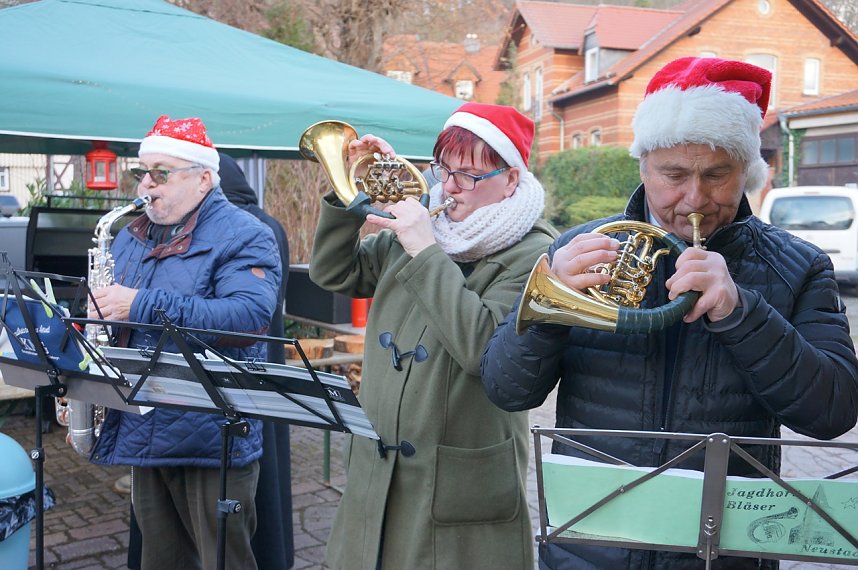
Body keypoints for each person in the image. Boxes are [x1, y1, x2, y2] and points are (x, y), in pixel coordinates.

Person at [481, 57, 858, 570]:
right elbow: (506, 389)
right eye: (673, 175)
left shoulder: (801, 266)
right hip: (590, 549)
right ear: (643, 166)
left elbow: (833, 412)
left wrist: (742, 313)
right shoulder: (580, 249)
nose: (695, 198)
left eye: (717, 175)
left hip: (721, 554)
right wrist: (549, 312)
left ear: (746, 171)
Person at [310, 102, 558, 569]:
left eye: (470, 175)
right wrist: (353, 190)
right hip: (378, 465)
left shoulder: (536, 253)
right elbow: (334, 272)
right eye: (444, 169)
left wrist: (424, 250)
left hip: (458, 482)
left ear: (510, 179)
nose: (450, 186)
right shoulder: (428, 223)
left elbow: (485, 349)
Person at [89, 115, 282, 570]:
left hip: (212, 433)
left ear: (203, 179)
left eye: (161, 173)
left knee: (224, 561)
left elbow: (248, 316)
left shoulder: (246, 233)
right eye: (142, 172)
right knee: (161, 560)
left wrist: (138, 305)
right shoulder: (130, 236)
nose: (146, 185)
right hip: (143, 423)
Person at [218, 152, 294, 570]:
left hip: (238, 362)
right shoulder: (272, 224)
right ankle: (274, 554)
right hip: (270, 361)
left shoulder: (237, 228)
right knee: (270, 469)